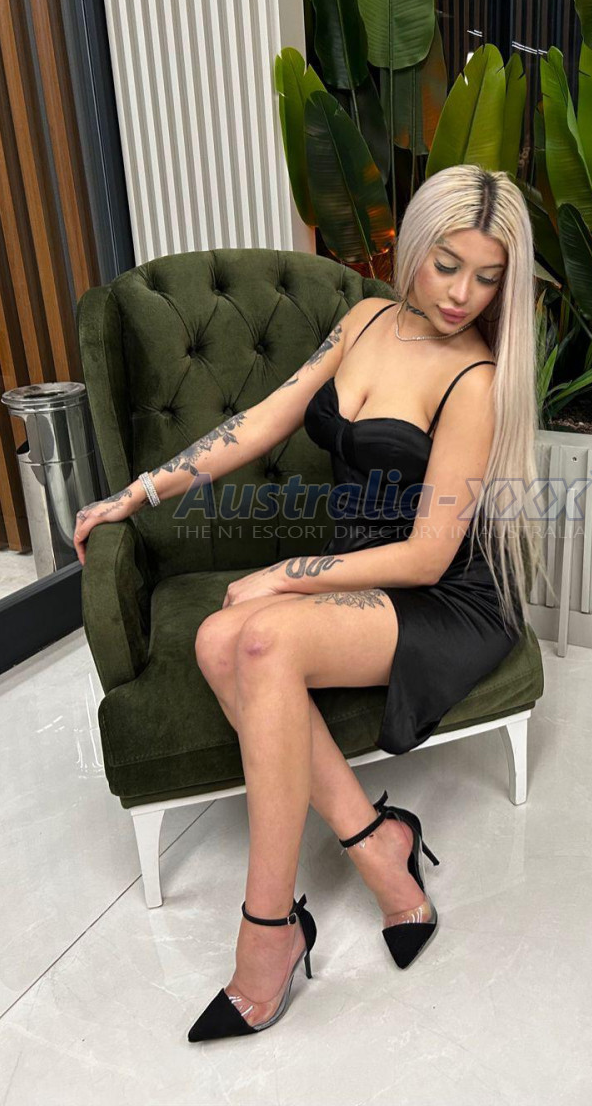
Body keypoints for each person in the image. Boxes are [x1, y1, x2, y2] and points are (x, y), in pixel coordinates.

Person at [73, 164, 547, 1041]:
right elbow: (263, 419)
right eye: (447, 265)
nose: (461, 294)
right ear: (413, 247)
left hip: (442, 592)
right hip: (361, 564)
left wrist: (286, 574)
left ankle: (268, 934)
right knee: (217, 641)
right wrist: (136, 494)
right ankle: (377, 843)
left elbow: (429, 553)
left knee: (258, 643)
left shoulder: (475, 380)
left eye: (487, 278)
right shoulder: (364, 319)